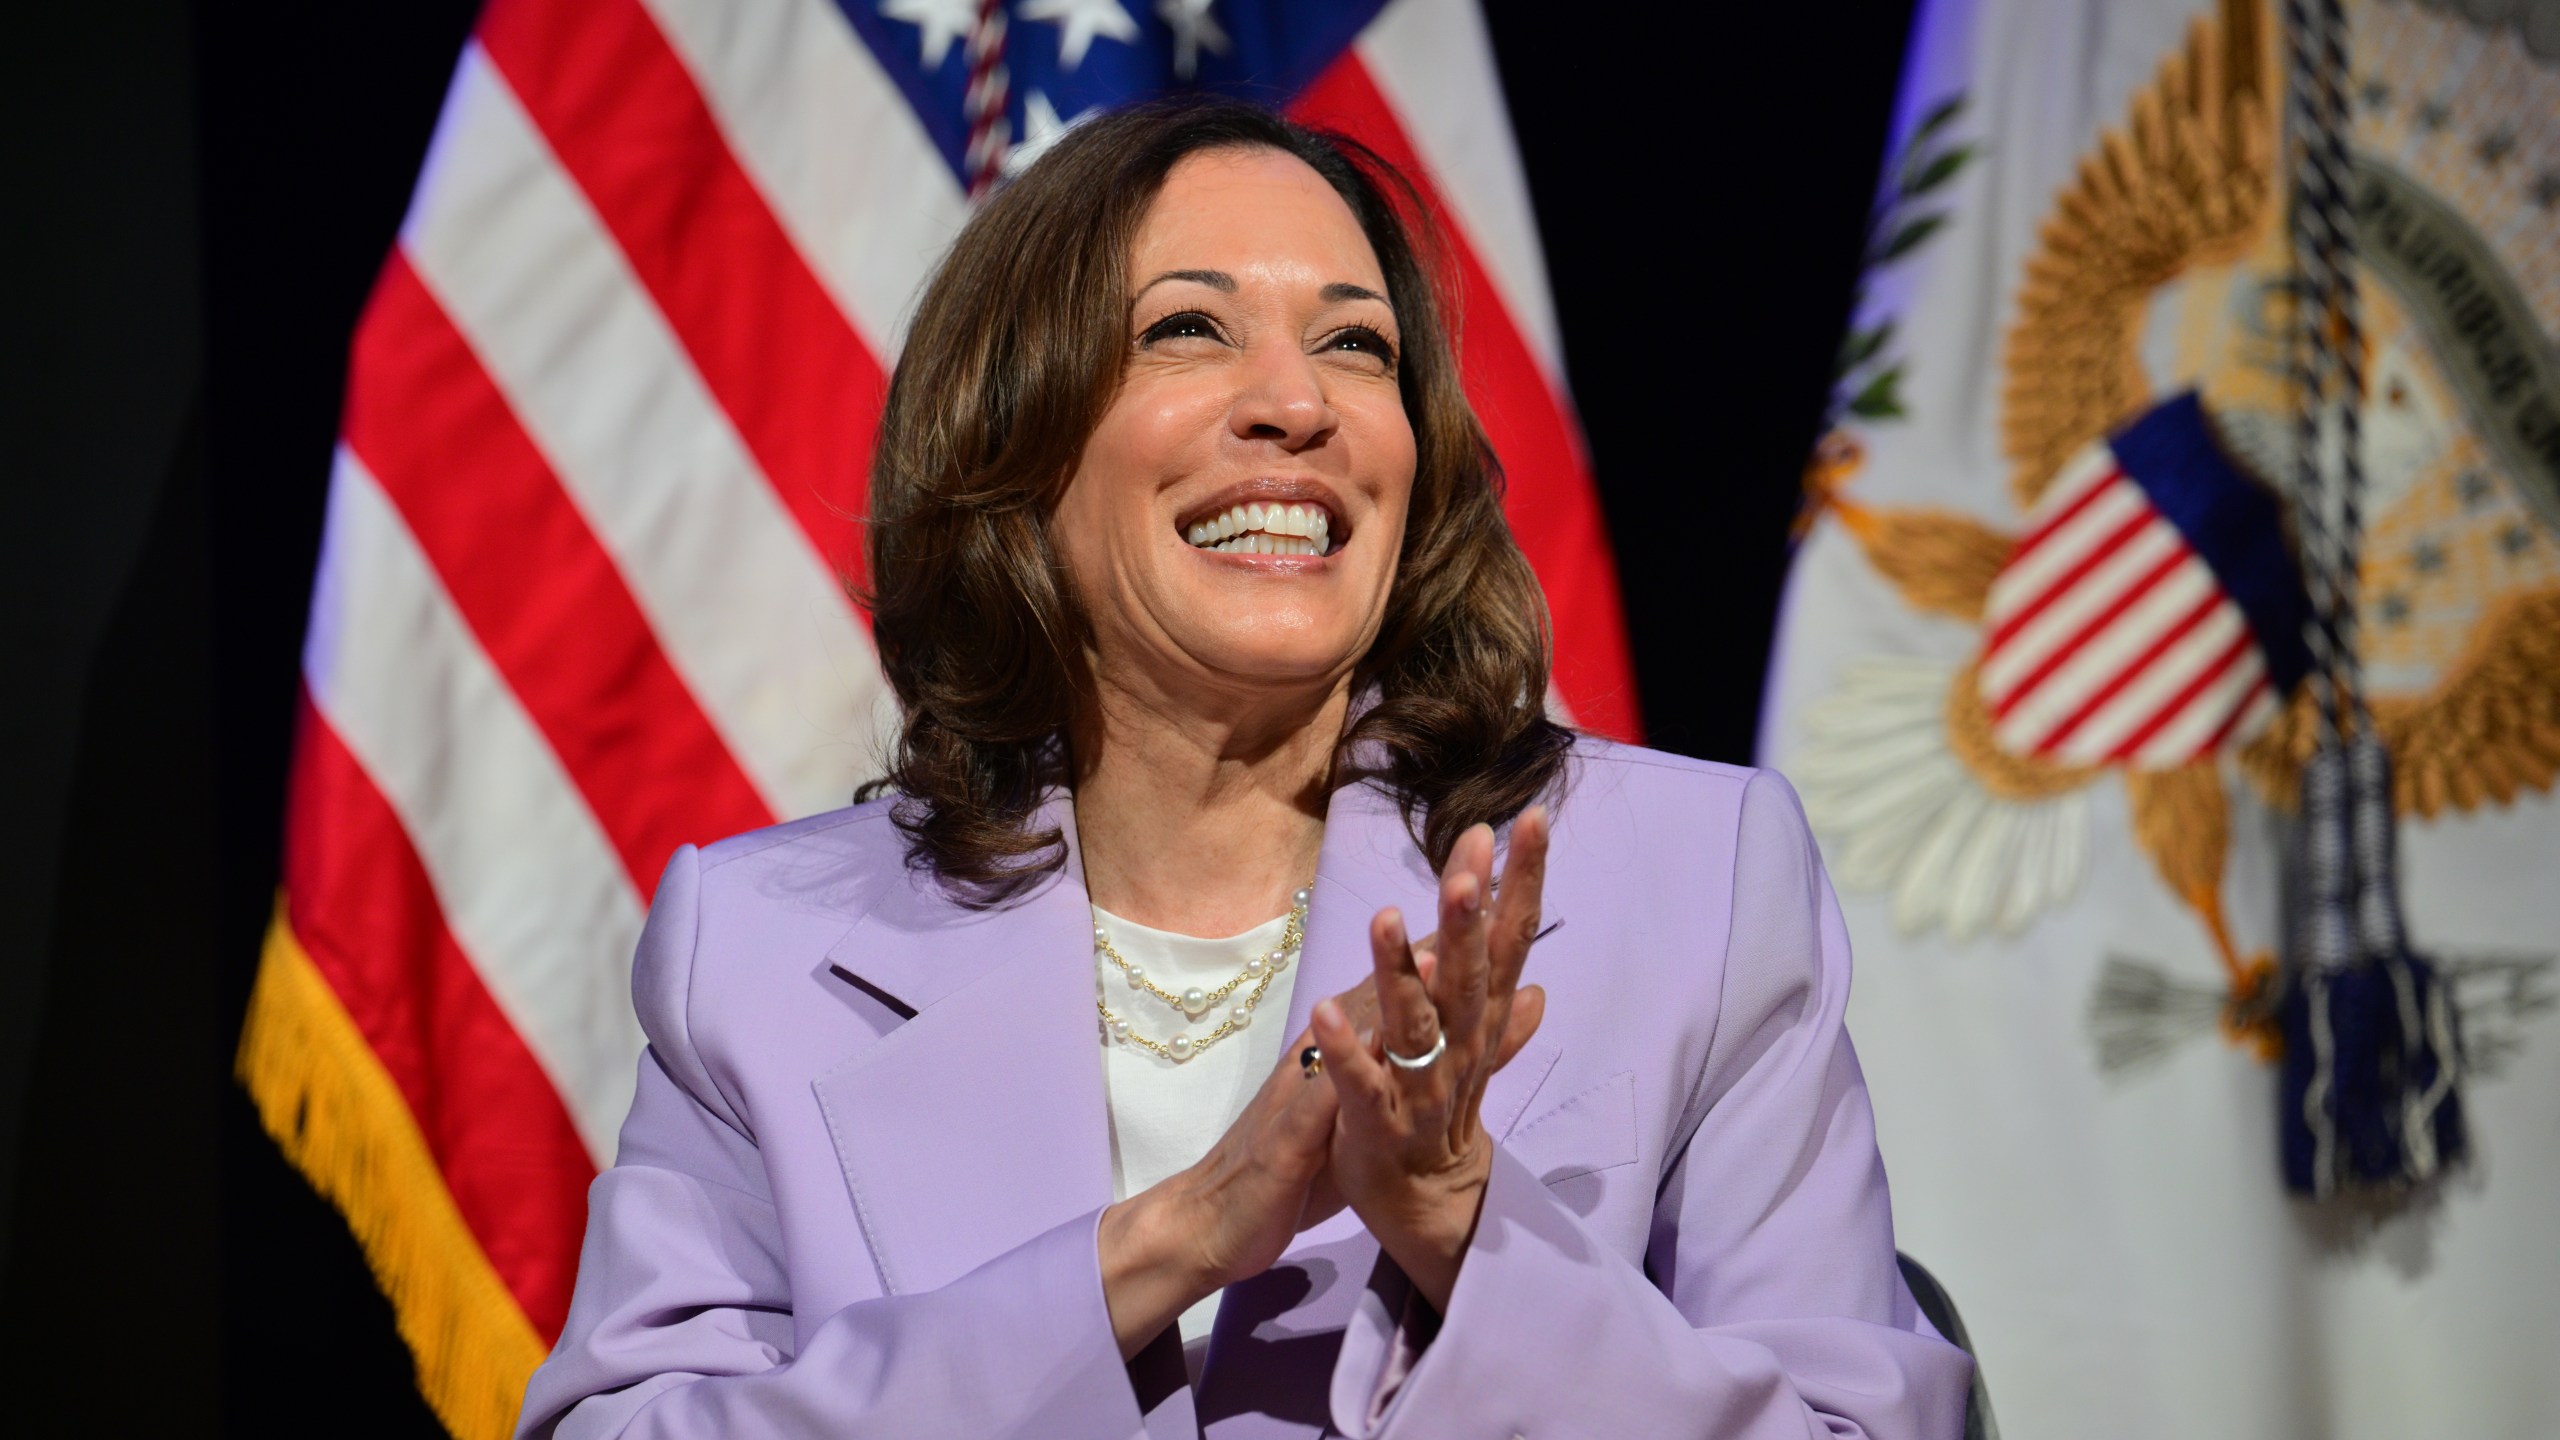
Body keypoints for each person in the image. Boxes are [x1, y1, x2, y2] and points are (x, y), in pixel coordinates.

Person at [517, 98, 1971, 1439]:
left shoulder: (1690, 884)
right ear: (1018, 445)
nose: (1301, 403)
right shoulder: (767, 954)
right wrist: (1164, 1246)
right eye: (1189, 331)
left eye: (1358, 347)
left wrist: (1466, 1228)